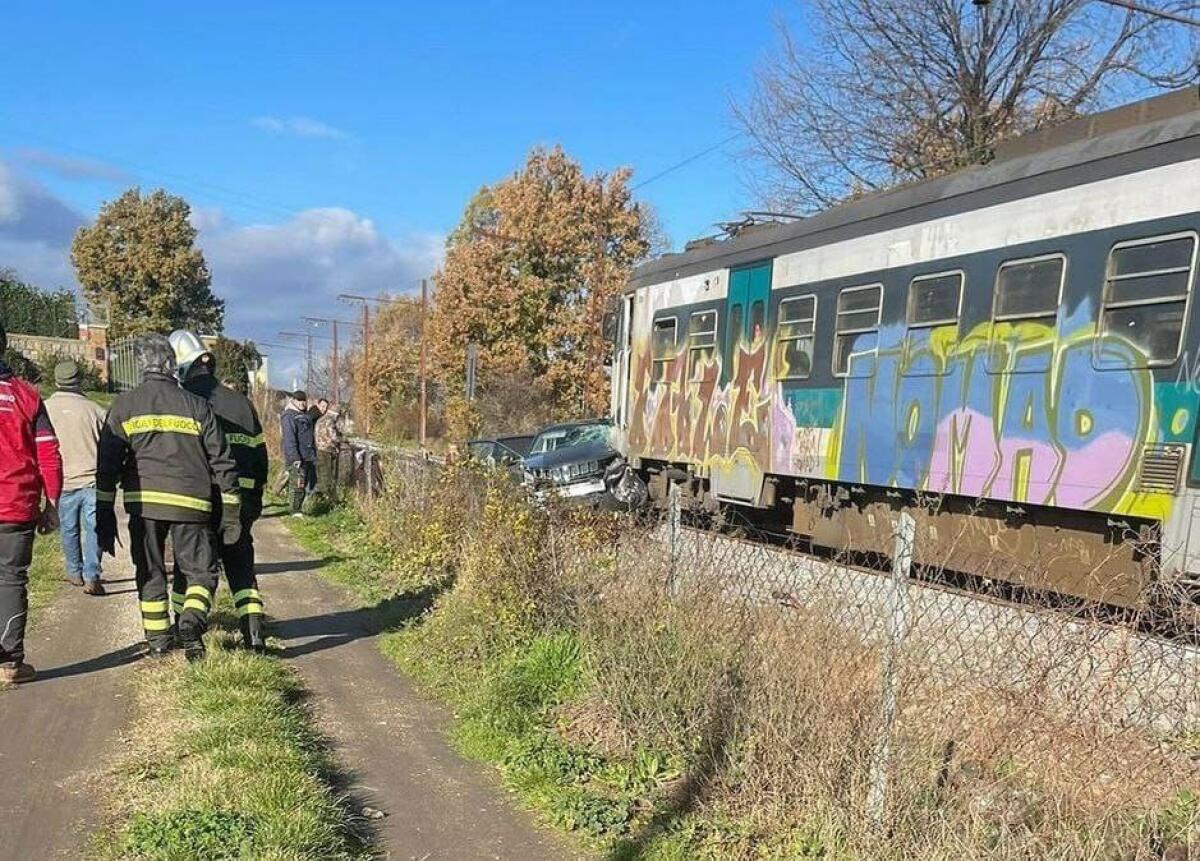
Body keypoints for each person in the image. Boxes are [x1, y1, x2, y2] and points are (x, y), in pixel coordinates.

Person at [96, 334, 241, 662]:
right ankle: (191, 621)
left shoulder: (124, 405)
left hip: (144, 504)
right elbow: (223, 462)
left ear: (143, 365)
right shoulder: (197, 405)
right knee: (200, 572)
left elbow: (106, 465)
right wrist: (231, 514)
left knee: (150, 570)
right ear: (173, 365)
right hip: (192, 504)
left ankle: (159, 641)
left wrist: (103, 512)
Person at [167, 331, 269, 651]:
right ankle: (253, 634)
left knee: (192, 568)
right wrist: (252, 500)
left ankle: (183, 624)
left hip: (197, 504)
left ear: (181, 367)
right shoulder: (241, 403)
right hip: (239, 503)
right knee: (241, 568)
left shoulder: (184, 403)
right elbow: (260, 458)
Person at [0, 323, 63, 685]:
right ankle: (10, 663)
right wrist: (52, 502)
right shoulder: (27, 397)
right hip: (16, 505)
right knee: (10, 579)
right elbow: (48, 453)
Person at [44, 360, 107, 596]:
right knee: (95, 529)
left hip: (62, 481)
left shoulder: (45, 409)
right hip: (92, 480)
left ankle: (73, 571)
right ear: (79, 380)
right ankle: (92, 574)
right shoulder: (95, 410)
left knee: (68, 529)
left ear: (57, 381)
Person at [281, 390, 317, 516]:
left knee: (305, 484)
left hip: (308, 456)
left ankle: (299, 508)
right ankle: (295, 510)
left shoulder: (305, 416)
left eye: (304, 400)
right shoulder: (289, 417)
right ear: (293, 401)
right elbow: (289, 438)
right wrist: (295, 457)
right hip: (297, 456)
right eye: (299, 400)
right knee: (297, 484)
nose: (302, 403)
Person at [314, 401, 343, 494]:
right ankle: (326, 495)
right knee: (327, 474)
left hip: (319, 449)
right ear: (336, 414)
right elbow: (333, 437)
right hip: (327, 450)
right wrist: (343, 439)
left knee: (321, 474)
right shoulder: (330, 421)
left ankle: (321, 494)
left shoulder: (320, 419)